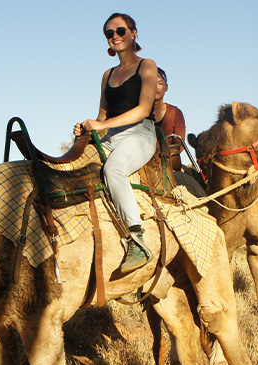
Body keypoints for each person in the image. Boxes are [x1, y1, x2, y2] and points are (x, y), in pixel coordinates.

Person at [74, 13, 158, 273]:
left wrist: (104, 125)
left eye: (120, 30)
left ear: (133, 33)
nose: (115, 36)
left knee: (113, 170)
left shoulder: (147, 65)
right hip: (111, 134)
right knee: (77, 167)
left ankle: (137, 240)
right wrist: (86, 129)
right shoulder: (107, 75)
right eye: (109, 33)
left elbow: (144, 109)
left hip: (140, 133)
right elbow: (102, 116)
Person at [154, 67, 186, 171]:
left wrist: (162, 154)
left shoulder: (176, 113)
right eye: (152, 83)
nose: (156, 87)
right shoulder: (137, 112)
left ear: (166, 87)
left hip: (169, 164)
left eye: (160, 83)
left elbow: (179, 145)